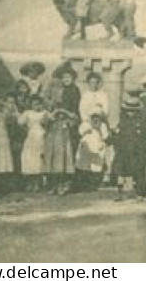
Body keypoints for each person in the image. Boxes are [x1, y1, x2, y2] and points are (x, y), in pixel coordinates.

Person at [45, 63, 80, 195]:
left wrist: (66, 113)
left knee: (66, 154)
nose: (66, 80)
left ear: (73, 78)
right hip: (55, 124)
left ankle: (64, 183)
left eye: (68, 77)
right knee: (54, 153)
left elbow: (75, 108)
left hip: (68, 123)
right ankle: (53, 183)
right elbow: (49, 104)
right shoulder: (57, 89)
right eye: (63, 77)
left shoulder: (74, 90)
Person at [113, 89, 146, 200]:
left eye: (134, 111)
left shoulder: (142, 122)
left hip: (137, 151)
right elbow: (116, 136)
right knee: (120, 171)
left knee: (138, 170)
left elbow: (145, 137)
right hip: (123, 150)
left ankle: (139, 193)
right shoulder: (122, 122)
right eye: (129, 111)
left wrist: (143, 149)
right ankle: (120, 193)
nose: (131, 113)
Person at [19, 93, 49, 190]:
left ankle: (37, 183)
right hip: (31, 137)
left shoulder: (44, 113)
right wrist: (26, 129)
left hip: (41, 136)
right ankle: (30, 182)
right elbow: (20, 123)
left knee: (39, 159)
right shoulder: (28, 113)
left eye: (38, 104)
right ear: (31, 104)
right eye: (34, 104)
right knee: (28, 159)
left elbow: (48, 123)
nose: (36, 106)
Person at [76, 112, 110, 191]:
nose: (95, 119)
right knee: (84, 165)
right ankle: (84, 184)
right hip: (86, 147)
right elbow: (81, 132)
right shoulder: (85, 124)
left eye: (97, 117)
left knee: (96, 166)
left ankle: (94, 184)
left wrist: (99, 129)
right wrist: (90, 128)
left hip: (98, 146)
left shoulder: (102, 126)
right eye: (93, 117)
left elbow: (105, 136)